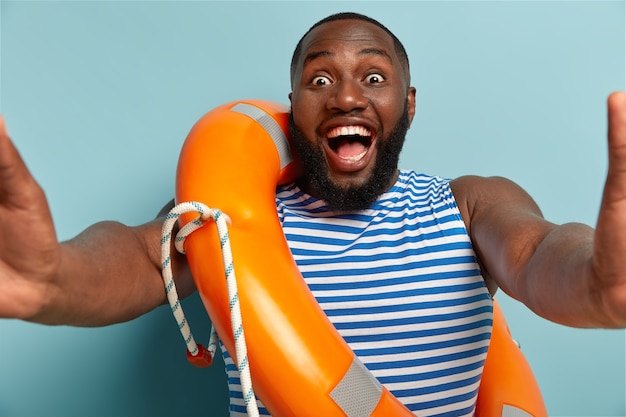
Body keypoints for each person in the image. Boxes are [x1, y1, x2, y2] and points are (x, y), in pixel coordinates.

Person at [0, 10, 625, 417]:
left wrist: (596, 283)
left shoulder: (468, 205)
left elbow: (539, 251)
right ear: (291, 103)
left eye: (373, 78)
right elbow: (137, 257)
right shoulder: (232, 221)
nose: (346, 96)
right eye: (320, 81)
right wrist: (55, 280)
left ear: (408, 106)